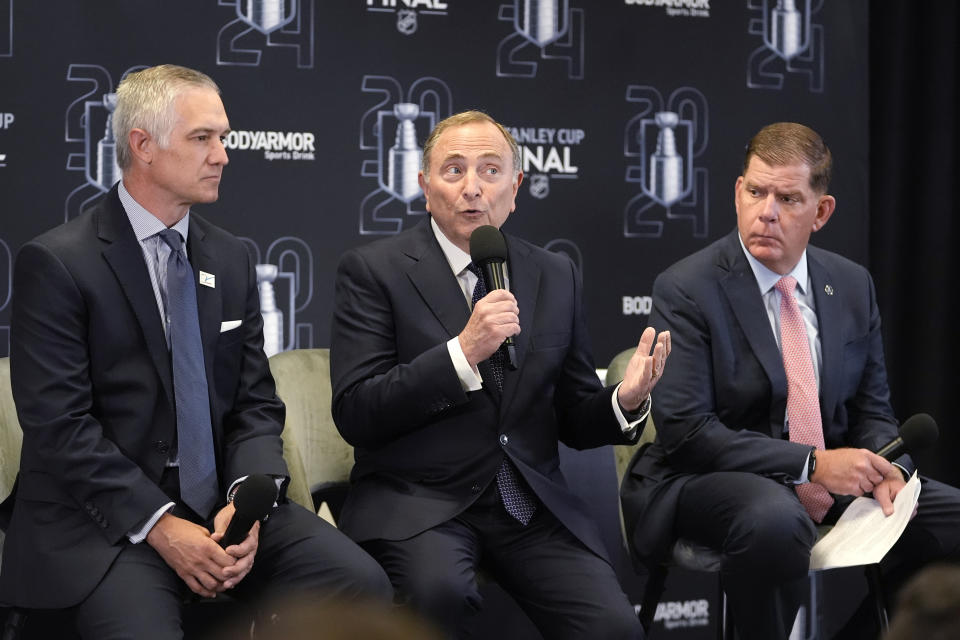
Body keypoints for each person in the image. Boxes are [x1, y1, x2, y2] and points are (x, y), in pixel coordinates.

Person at [0, 64, 390, 638]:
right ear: (144, 147)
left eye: (224, 137)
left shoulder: (230, 258)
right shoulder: (58, 263)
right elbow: (60, 428)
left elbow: (256, 404)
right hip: (107, 522)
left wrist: (247, 504)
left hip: (221, 512)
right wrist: (160, 525)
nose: (223, 155)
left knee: (362, 585)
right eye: (202, 138)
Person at [329, 110, 671, 639]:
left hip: (529, 504)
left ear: (516, 187)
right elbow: (357, 410)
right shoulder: (374, 271)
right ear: (424, 186)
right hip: (422, 504)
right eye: (454, 170)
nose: (473, 188)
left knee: (614, 629)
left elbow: (575, 415)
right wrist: (462, 354)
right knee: (436, 597)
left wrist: (624, 401)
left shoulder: (555, 273)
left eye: (490, 171)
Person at [620, 122, 960, 639]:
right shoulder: (687, 287)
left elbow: (872, 411)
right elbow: (689, 433)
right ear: (738, 193)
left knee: (948, 519)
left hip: (825, 478)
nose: (767, 212)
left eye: (788, 198)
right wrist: (814, 464)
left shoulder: (850, 285)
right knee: (774, 522)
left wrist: (889, 465)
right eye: (755, 192)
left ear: (821, 212)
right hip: (706, 480)